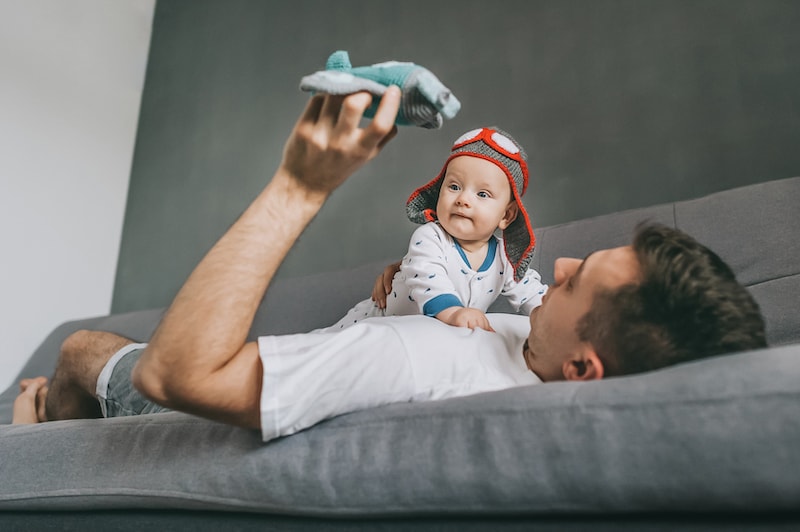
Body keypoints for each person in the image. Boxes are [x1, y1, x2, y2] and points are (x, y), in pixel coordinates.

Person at [12, 87, 767, 443]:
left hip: (193, 401)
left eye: (579, 280)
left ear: (584, 370)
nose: (560, 264)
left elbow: (175, 376)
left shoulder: (423, 360)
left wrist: (299, 187)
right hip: (335, 342)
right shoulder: (530, 355)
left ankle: (39, 430)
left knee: (80, 350)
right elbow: (461, 289)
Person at [329, 126, 547, 333]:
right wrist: (453, 313)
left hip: (424, 338)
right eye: (454, 187)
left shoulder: (506, 258)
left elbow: (531, 293)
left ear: (506, 216)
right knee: (324, 349)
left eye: (482, 194)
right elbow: (428, 279)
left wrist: (549, 316)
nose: (463, 199)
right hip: (376, 322)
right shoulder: (430, 237)